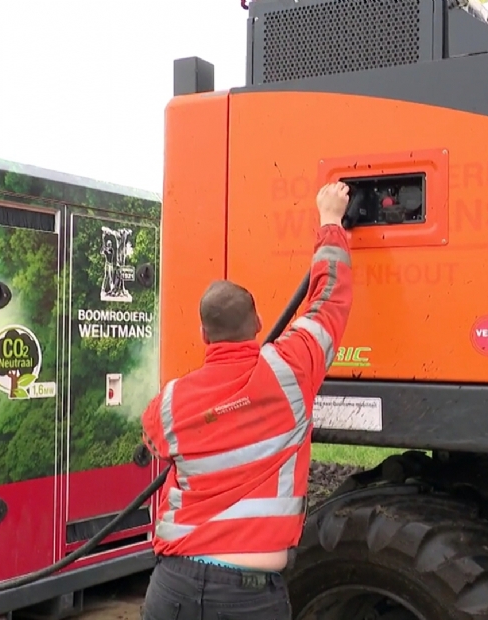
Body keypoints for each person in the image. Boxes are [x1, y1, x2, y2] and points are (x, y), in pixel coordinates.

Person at [139, 181, 354, 619]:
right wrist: (330, 223)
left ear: (202, 334)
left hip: (171, 588)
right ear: (259, 322)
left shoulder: (166, 405)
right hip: (248, 598)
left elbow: (157, 453)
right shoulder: (290, 369)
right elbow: (329, 301)